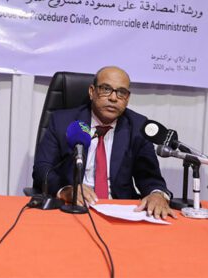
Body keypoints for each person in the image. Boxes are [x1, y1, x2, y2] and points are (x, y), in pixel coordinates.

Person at [32, 66, 175, 220]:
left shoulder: (138, 126)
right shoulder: (63, 121)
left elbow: (150, 177)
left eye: (121, 92)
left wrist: (157, 194)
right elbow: (42, 168)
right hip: (74, 207)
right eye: (106, 89)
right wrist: (66, 190)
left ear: (127, 98)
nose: (113, 98)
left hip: (120, 211)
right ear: (92, 91)